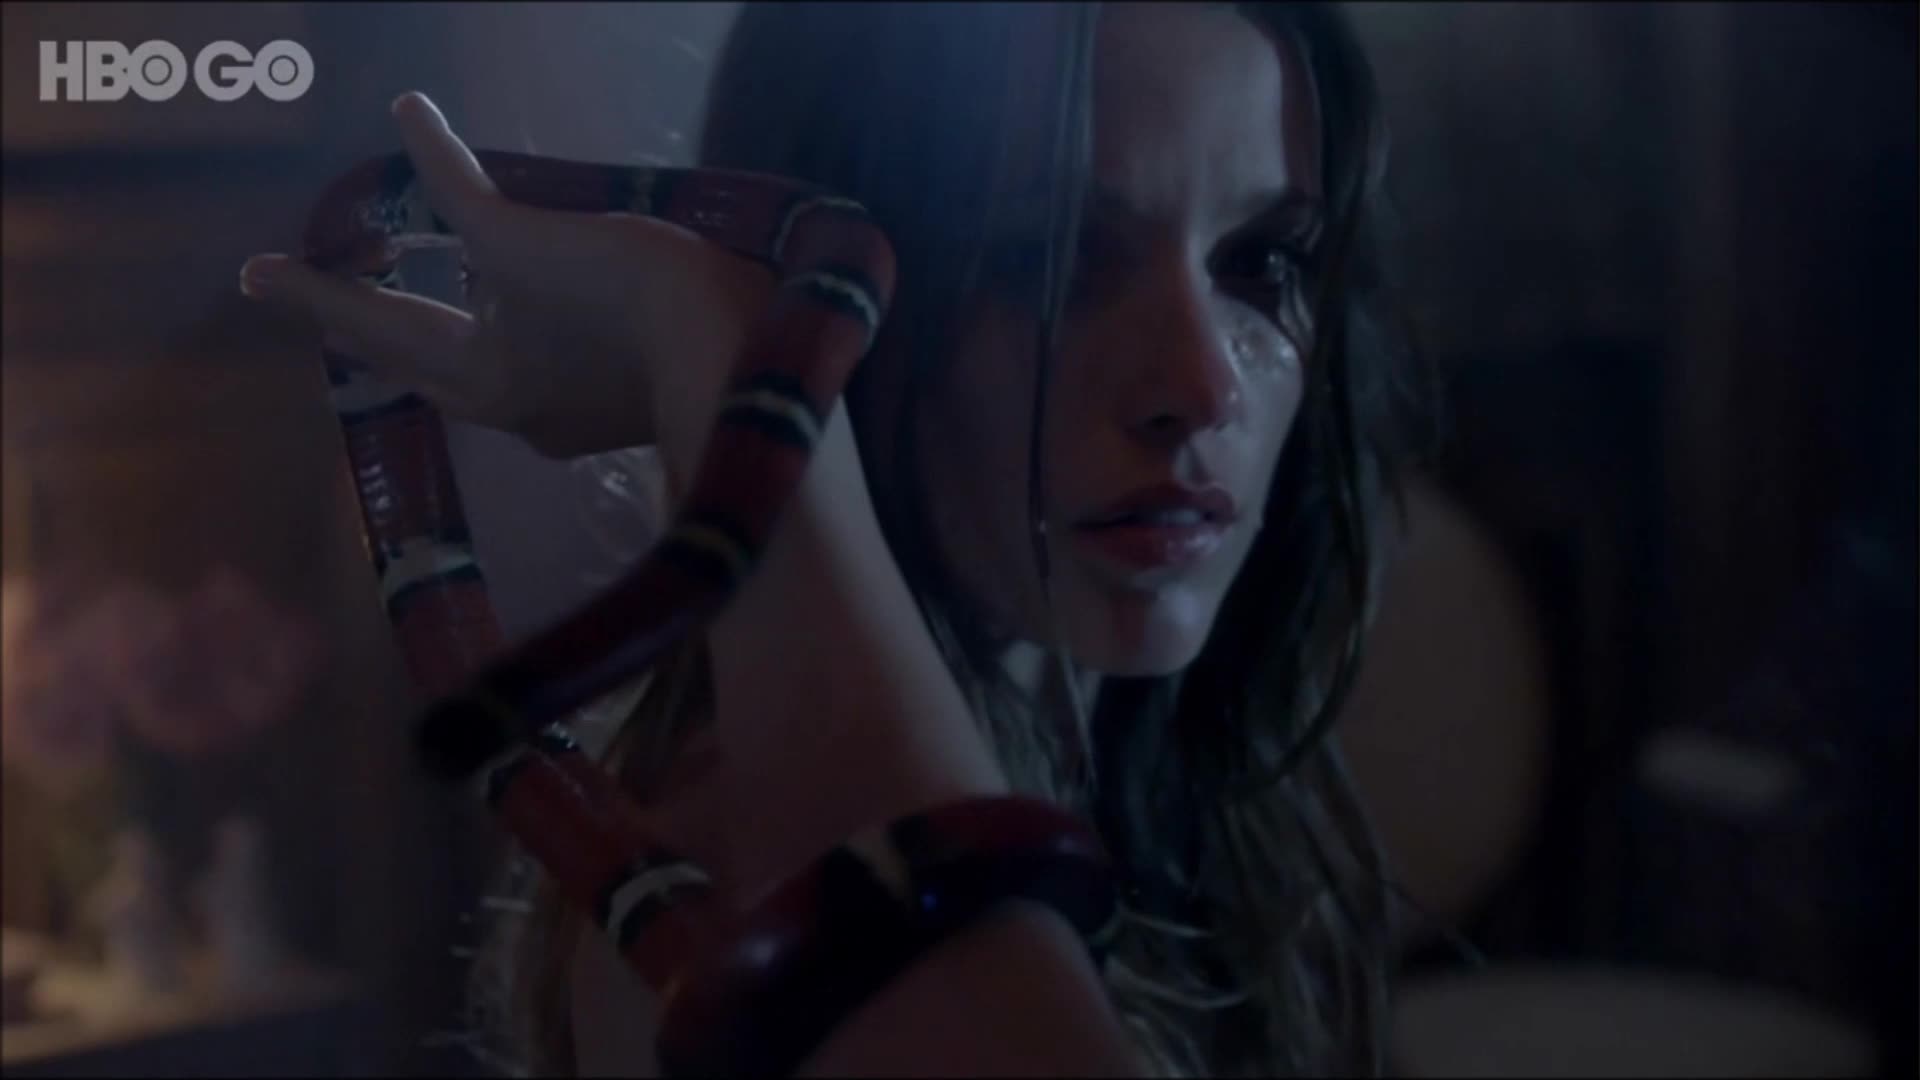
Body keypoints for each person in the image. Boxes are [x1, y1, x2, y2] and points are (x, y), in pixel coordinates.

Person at [241, 2, 1423, 1074]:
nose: (1204, 387)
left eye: (1262, 262)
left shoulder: (1166, 778)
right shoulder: (719, 892)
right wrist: (714, 338)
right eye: (1046, 259)